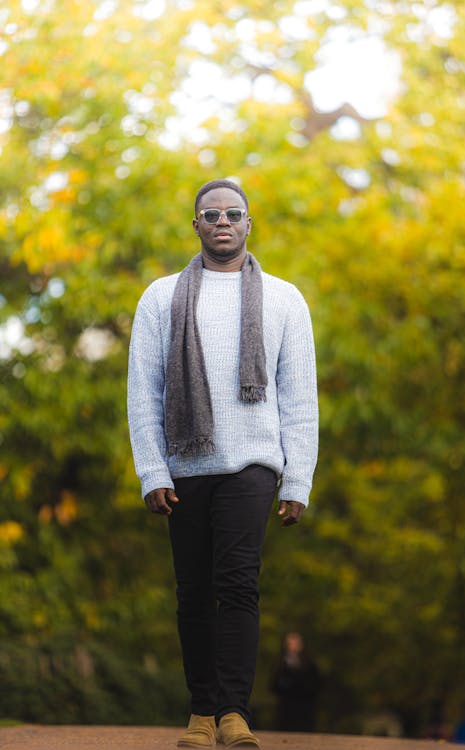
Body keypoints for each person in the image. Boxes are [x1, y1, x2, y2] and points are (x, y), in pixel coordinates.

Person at [127, 179, 318, 748]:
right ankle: (201, 713)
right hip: (186, 465)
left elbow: (299, 395)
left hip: (254, 463)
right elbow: (144, 392)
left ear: (248, 223)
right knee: (193, 590)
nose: (223, 222)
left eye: (234, 213)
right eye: (211, 215)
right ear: (196, 226)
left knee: (238, 586)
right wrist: (152, 470)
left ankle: (234, 714)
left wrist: (298, 476)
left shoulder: (285, 299)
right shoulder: (160, 298)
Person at [271, 632, 321, 732]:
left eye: (296, 643)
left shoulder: (309, 662)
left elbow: (316, 682)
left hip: (305, 705)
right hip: (286, 706)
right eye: (290, 643)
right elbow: (274, 683)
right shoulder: (280, 662)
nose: (293, 646)